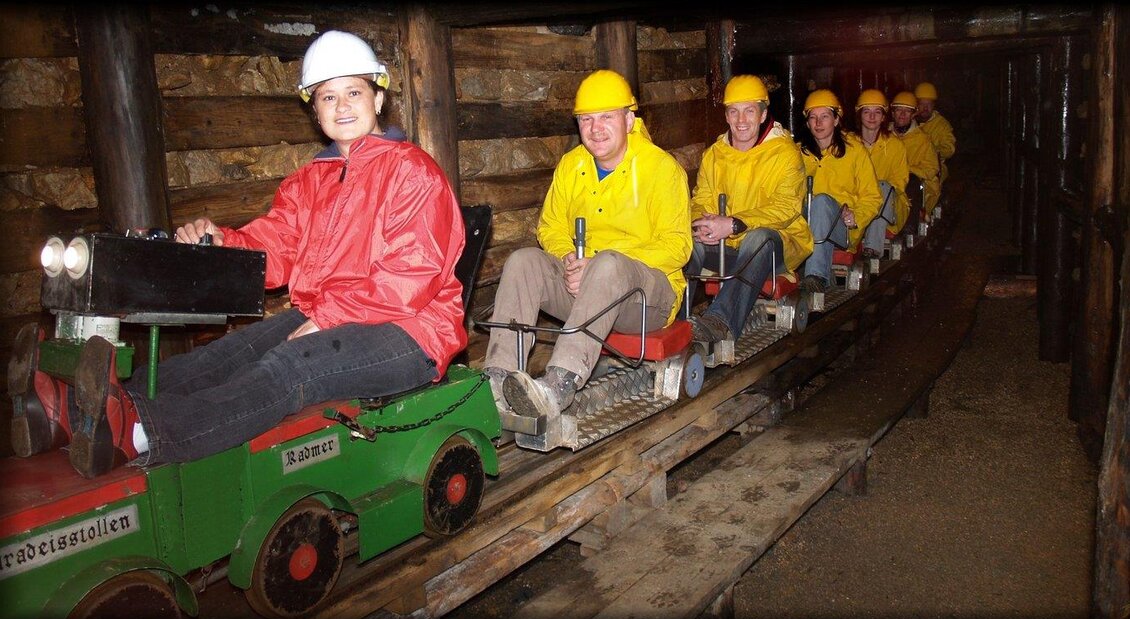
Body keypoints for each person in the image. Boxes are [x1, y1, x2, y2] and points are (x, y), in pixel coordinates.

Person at [10, 30, 469, 478]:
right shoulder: (311, 179)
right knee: (224, 356)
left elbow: (412, 275)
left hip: (412, 331)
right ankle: (72, 415)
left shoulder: (412, 171)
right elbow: (276, 247)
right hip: (330, 313)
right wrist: (221, 243)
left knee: (290, 367)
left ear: (378, 99)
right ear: (314, 109)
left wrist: (326, 319)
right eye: (328, 97)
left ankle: (141, 432)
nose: (342, 106)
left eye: (354, 91)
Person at [481, 69, 692, 418]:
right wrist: (569, 259)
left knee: (609, 263)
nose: (595, 129)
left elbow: (677, 246)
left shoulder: (661, 169)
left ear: (628, 119)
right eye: (586, 119)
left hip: (647, 300)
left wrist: (598, 264)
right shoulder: (571, 165)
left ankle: (560, 382)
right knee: (524, 261)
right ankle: (498, 378)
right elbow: (550, 226)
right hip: (584, 288)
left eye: (607, 117)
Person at [682, 75, 811, 344]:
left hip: (773, 248)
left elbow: (786, 207)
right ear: (726, 116)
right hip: (725, 247)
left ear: (763, 114)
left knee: (759, 237)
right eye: (734, 112)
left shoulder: (785, 154)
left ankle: (721, 321)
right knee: (687, 241)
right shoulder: (715, 154)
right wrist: (700, 224)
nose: (741, 120)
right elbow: (700, 199)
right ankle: (675, 322)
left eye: (749, 111)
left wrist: (734, 223)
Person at [795, 89, 882, 293]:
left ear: (836, 120)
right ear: (807, 123)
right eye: (813, 118)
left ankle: (816, 276)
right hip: (804, 226)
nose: (818, 123)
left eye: (824, 116)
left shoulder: (854, 152)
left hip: (841, 227)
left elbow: (872, 196)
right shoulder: (797, 153)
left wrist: (856, 216)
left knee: (822, 201)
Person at [853, 89, 910, 256]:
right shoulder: (849, 143)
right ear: (859, 115)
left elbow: (900, 181)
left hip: (888, 205)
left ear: (884, 117)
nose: (872, 117)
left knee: (882, 186)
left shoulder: (895, 146)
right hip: (857, 202)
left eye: (877, 112)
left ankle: (872, 247)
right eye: (867, 112)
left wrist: (872, 190)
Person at [889, 91, 942, 219]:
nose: (902, 114)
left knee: (912, 182)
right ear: (893, 113)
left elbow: (931, 168)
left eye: (907, 111)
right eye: (898, 110)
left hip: (913, 185)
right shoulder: (883, 137)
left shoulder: (923, 140)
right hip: (888, 181)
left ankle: (910, 225)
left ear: (913, 114)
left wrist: (908, 170)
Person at [913, 81, 956, 184]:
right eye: (922, 104)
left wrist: (931, 152)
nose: (925, 108)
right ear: (916, 105)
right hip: (911, 167)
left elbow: (949, 149)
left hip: (935, 168)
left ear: (934, 105)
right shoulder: (908, 122)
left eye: (929, 104)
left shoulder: (942, 124)